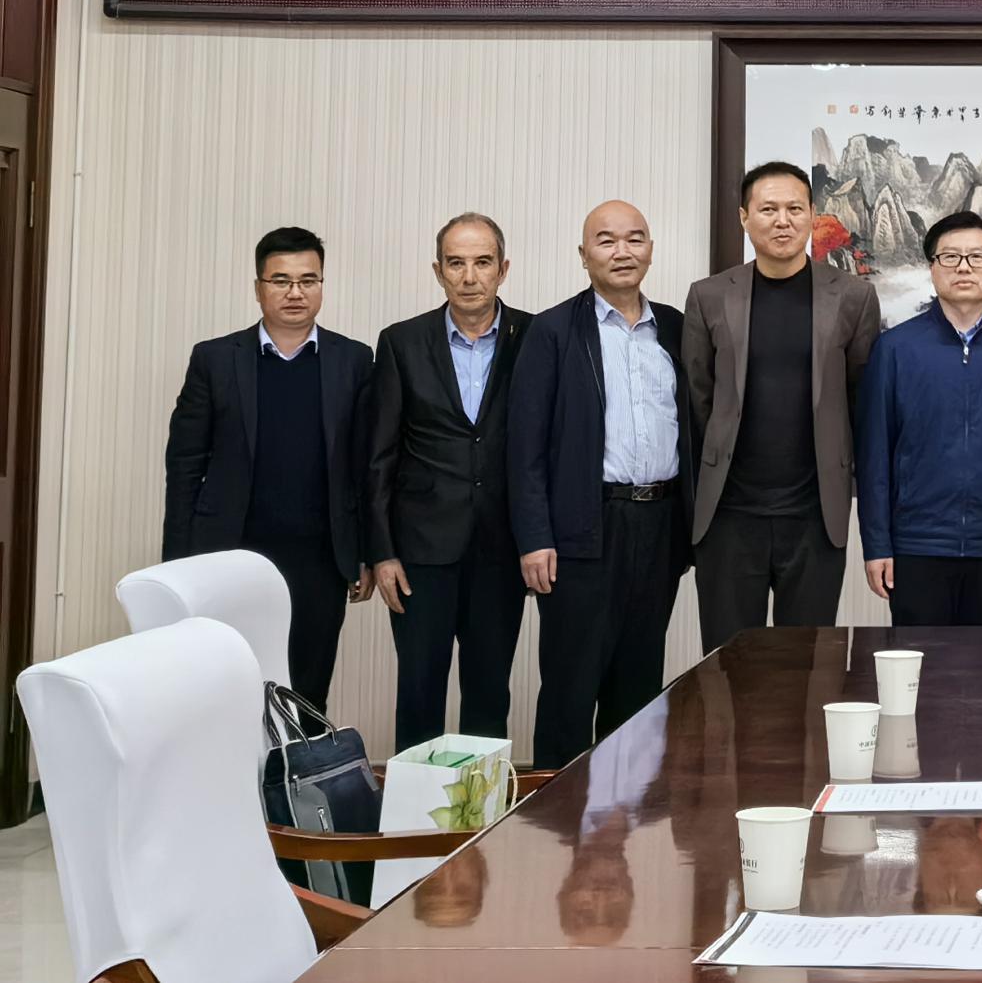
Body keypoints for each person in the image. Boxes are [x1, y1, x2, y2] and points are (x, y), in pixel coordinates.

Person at [509, 200, 693, 770]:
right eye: (606, 240)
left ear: (651, 250)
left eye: (635, 239)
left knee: (638, 686)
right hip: (583, 529)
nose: (622, 252)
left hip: (658, 525)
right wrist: (535, 537)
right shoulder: (553, 331)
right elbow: (525, 445)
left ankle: (626, 813)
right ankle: (556, 816)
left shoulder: (676, 328)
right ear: (583, 254)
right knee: (571, 685)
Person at [162, 226, 374, 710]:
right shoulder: (215, 359)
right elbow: (185, 465)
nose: (295, 292)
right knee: (227, 690)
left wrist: (365, 551)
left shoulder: (354, 360)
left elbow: (365, 466)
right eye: (281, 280)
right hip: (230, 554)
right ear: (258, 287)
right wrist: (177, 564)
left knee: (306, 692)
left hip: (320, 558)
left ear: (322, 285)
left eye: (308, 280)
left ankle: (297, 763)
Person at [683, 160, 881, 651]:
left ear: (812, 214)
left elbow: (861, 395)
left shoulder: (853, 297)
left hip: (815, 515)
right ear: (744, 218)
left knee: (808, 667)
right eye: (768, 209)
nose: (782, 220)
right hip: (729, 515)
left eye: (795, 208)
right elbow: (698, 396)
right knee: (727, 665)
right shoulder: (709, 296)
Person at [367, 213, 533, 749]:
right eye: (456, 263)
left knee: (489, 694)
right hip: (421, 552)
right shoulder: (401, 342)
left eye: (482, 262)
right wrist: (382, 552)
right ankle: (416, 805)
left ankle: (483, 803)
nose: (469, 277)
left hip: (502, 549)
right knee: (419, 693)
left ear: (503, 269)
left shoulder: (534, 337)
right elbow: (380, 456)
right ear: (437, 271)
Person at [855, 211, 982, 624]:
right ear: (932, 268)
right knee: (918, 660)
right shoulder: (895, 349)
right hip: (917, 544)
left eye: (977, 257)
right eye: (950, 257)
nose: (963, 267)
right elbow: (874, 456)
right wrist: (877, 544)